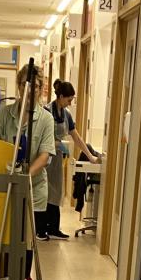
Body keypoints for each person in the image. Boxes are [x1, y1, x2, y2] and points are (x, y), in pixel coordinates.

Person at [0, 65, 55, 280]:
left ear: (41, 89)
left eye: (36, 85)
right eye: (26, 84)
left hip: (32, 191)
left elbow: (45, 156)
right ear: (19, 86)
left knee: (25, 245)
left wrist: (25, 178)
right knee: (5, 240)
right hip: (5, 189)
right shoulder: (5, 115)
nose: (31, 89)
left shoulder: (45, 119)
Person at [44, 80, 99, 239]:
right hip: (45, 156)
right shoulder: (47, 111)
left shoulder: (66, 115)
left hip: (57, 158)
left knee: (56, 191)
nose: (70, 103)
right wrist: (54, 143)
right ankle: (43, 228)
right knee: (45, 191)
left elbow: (76, 137)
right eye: (69, 100)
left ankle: (54, 228)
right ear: (60, 96)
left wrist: (90, 156)